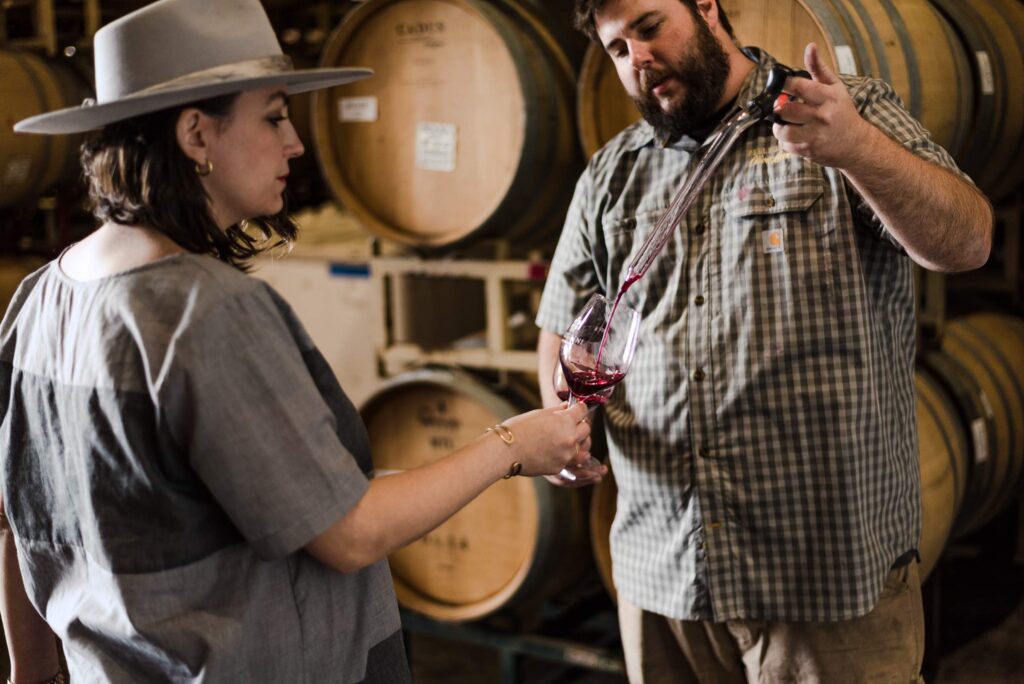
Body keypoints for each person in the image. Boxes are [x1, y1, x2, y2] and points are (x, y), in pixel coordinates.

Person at [0, 0, 593, 680]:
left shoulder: (41, 297)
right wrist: (512, 445)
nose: (297, 144)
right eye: (274, 117)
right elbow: (351, 533)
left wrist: (30, 673)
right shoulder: (205, 310)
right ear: (196, 134)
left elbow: (17, 521)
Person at [536, 0, 993, 681]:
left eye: (650, 27)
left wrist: (857, 149)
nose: (638, 59)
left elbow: (968, 241)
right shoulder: (613, 171)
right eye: (617, 49)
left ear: (708, 8)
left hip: (825, 577)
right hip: (663, 575)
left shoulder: (840, 114)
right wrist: (561, 419)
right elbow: (563, 319)